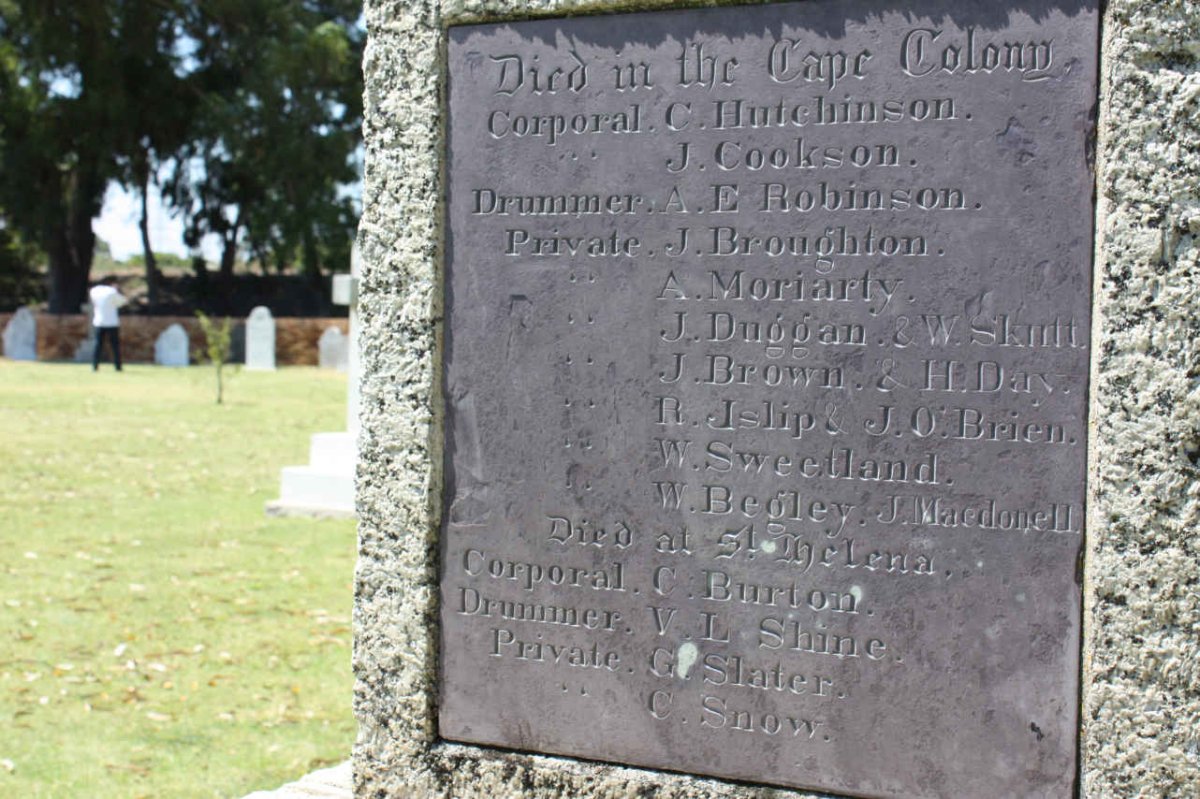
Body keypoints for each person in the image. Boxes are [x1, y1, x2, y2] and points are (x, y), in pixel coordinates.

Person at [89, 275, 128, 371]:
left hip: (99, 322)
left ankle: (95, 365)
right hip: (112, 322)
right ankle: (117, 366)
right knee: (115, 346)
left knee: (98, 345)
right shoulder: (112, 291)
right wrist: (117, 290)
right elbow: (123, 301)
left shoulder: (94, 291)